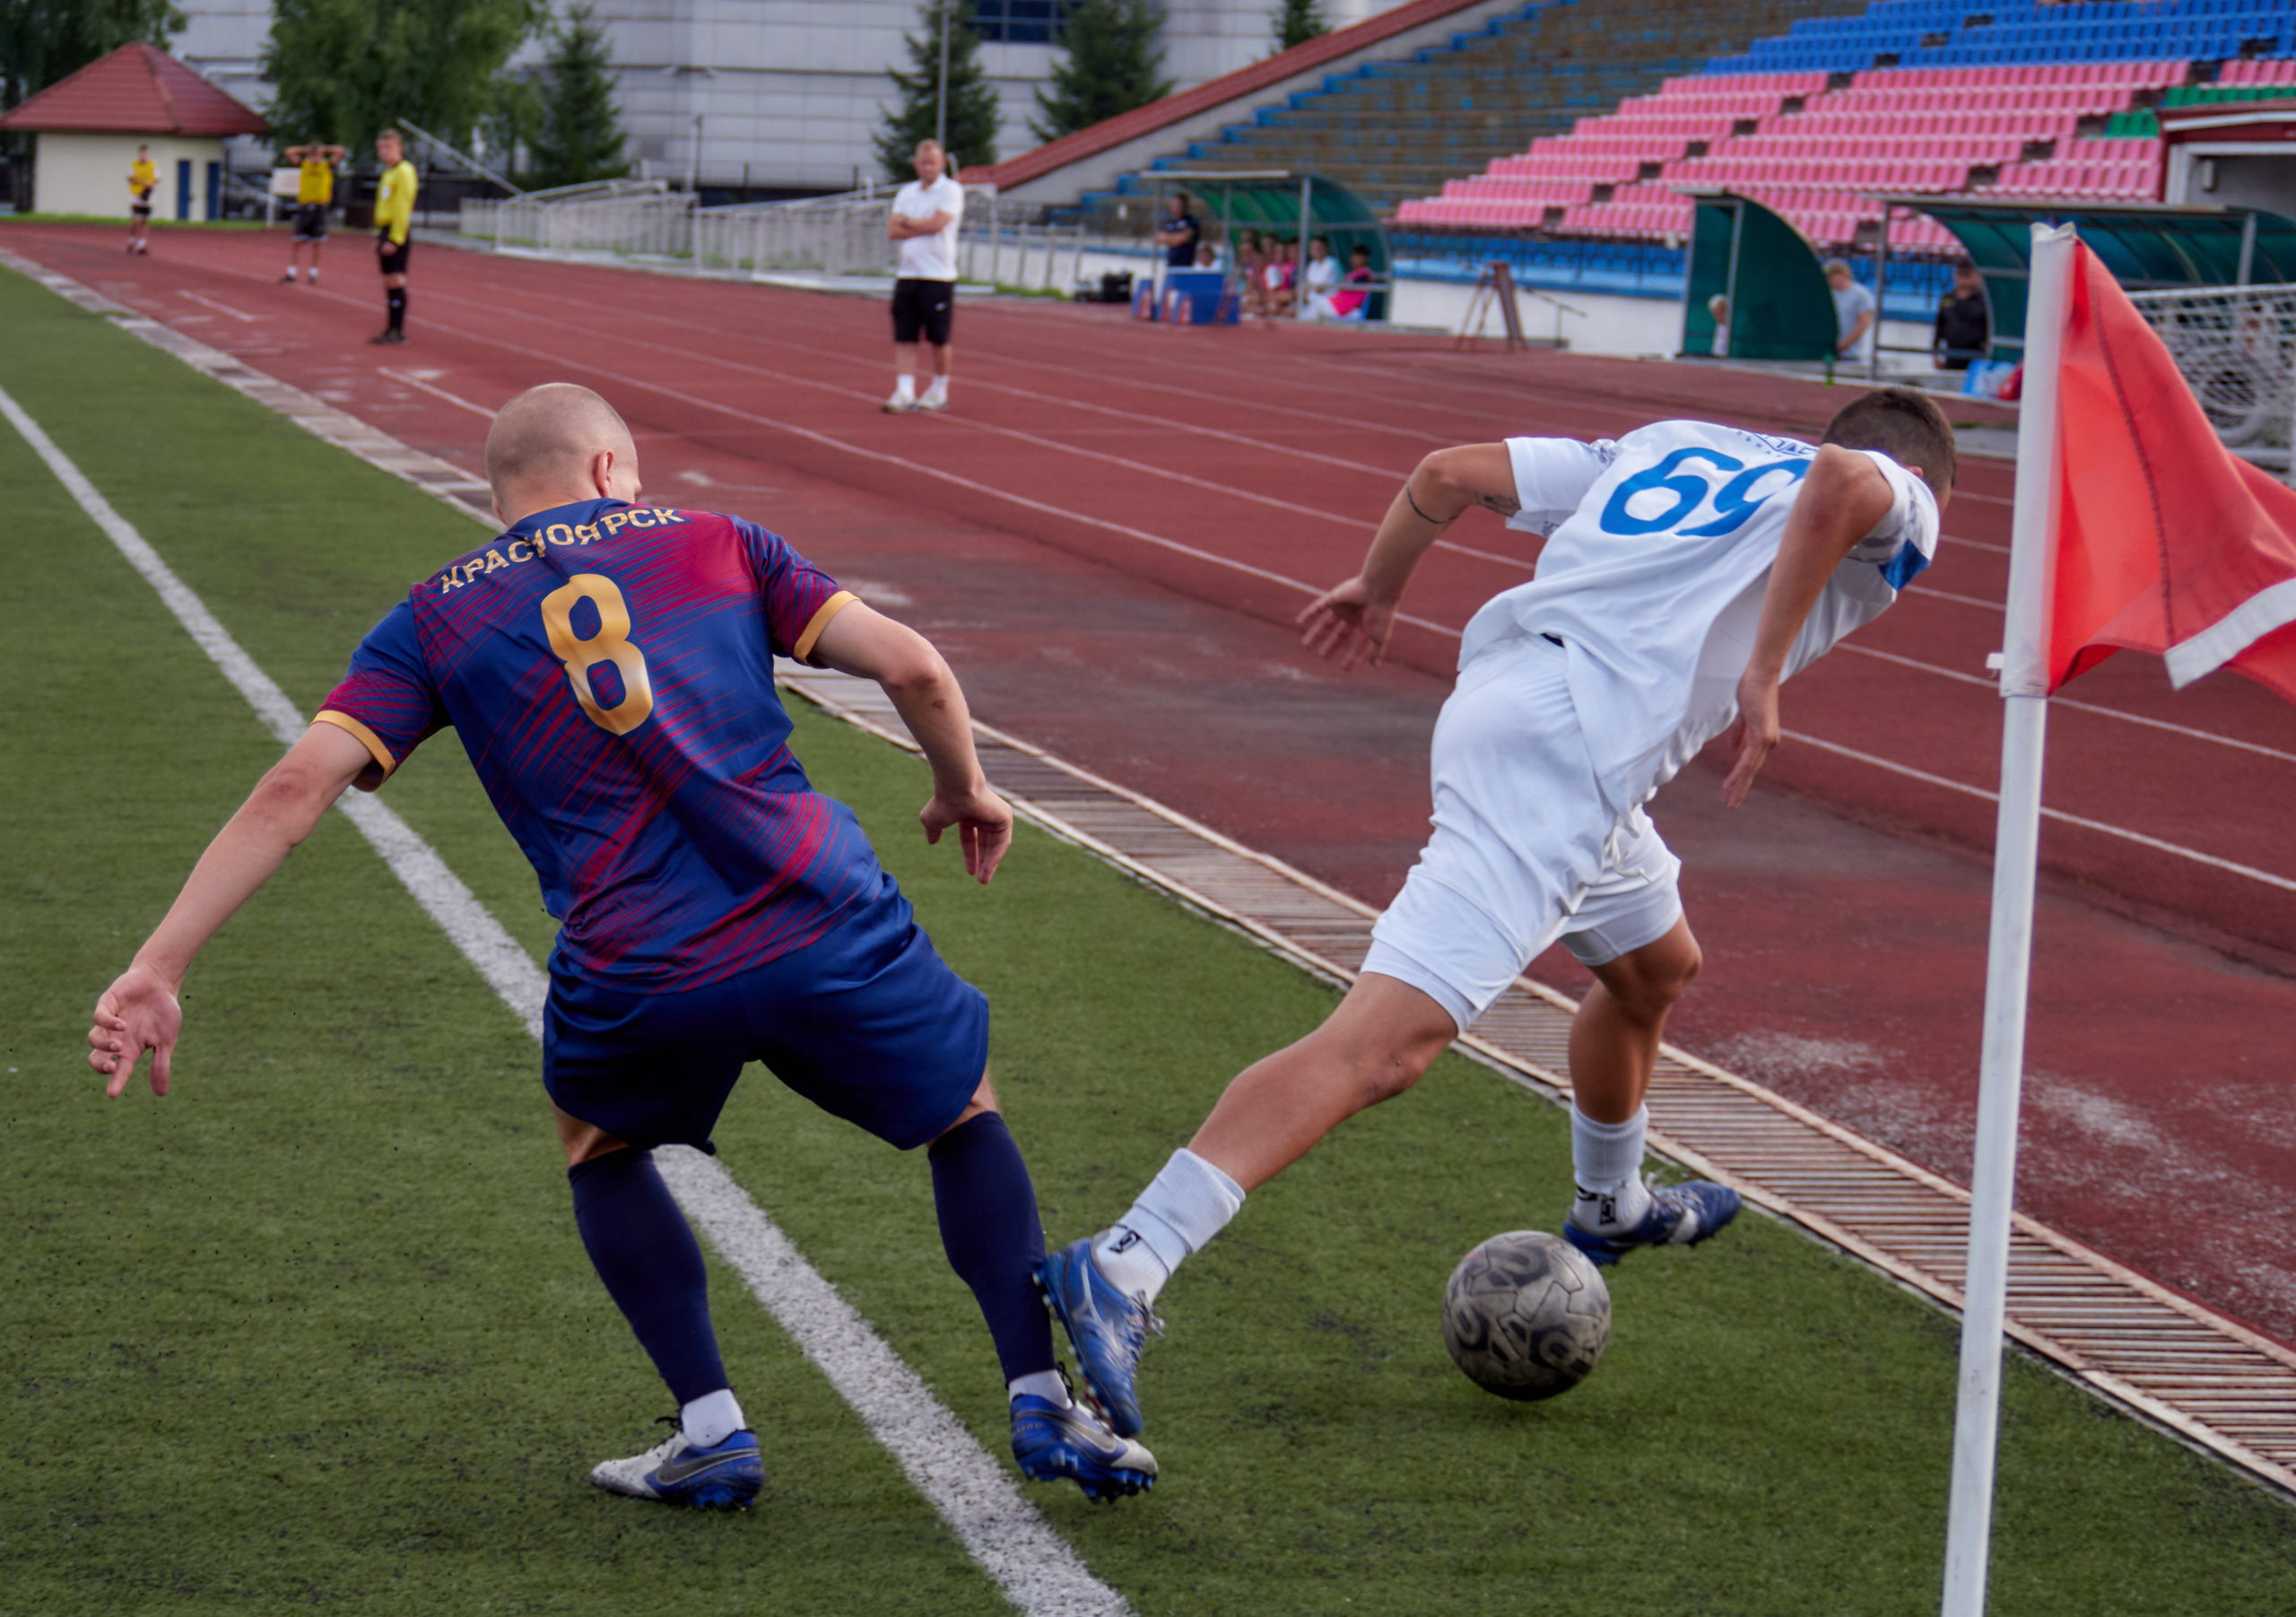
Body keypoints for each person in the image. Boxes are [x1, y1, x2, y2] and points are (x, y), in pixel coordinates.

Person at [84, 382, 1157, 1508]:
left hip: (641, 962)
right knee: (961, 1111)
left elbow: (296, 786)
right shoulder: (719, 541)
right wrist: (964, 788)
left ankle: (712, 1429)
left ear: (502, 494)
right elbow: (915, 669)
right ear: (608, 471)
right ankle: (1042, 1395)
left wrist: (160, 966)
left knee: (597, 1142)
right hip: (818, 913)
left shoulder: (436, 614)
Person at [1039, 388, 1958, 1442]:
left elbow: (1445, 474)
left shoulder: (1673, 442)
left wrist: (1377, 587)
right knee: (1383, 1049)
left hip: (1519, 706)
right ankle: (1127, 1260)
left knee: (1654, 969)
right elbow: (1843, 483)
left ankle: (1610, 1203)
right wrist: (1762, 671)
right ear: (1927, 481)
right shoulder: (1898, 494)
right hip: (1565, 760)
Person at [884, 139, 963, 414]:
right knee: (905, 335)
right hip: (908, 273)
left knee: (938, 338)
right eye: (923, 163)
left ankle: (939, 389)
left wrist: (910, 223)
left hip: (937, 276)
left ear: (942, 164)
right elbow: (893, 230)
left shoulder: (951, 190)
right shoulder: (906, 192)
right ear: (916, 164)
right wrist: (921, 225)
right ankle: (905, 390)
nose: (928, 168)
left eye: (933, 163)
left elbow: (937, 224)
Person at [369, 128, 417, 345]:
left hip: (396, 230)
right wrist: (378, 234)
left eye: (388, 147)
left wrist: (395, 238)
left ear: (399, 148)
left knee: (396, 279)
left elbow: (402, 206)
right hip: (385, 228)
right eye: (381, 148)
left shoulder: (404, 171)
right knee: (388, 280)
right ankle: (391, 328)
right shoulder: (388, 172)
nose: (384, 152)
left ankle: (398, 330)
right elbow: (383, 204)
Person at [281, 142, 347, 284]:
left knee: (317, 242)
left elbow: (341, 151)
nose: (315, 159)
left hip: (319, 207)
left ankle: (313, 272)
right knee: (297, 240)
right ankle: (292, 272)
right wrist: (307, 150)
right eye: (312, 156)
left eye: (317, 156)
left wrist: (324, 149)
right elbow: (288, 151)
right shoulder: (304, 164)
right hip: (305, 206)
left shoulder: (327, 165)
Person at [1934, 261, 1989, 370]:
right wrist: (1935, 353)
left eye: (1967, 275)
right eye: (1960, 274)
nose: (1963, 279)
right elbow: (1940, 327)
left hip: (1976, 357)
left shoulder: (1984, 301)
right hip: (1952, 355)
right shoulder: (1948, 299)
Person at [1824, 258, 1874, 361]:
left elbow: (1864, 322)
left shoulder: (1860, 294)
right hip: (1826, 350)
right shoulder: (1827, 294)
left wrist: (1843, 345)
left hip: (1850, 353)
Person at [1326, 244, 1377, 322]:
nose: (1358, 258)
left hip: (1352, 310)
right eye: (1356, 255)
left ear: (1366, 258)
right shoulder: (1353, 273)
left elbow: (1351, 285)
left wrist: (1344, 285)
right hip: (1340, 304)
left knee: (1314, 301)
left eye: (1361, 256)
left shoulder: (1365, 273)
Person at [1154, 192, 1200, 270]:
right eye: (1175, 205)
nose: (1177, 208)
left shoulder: (1191, 221)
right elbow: (1159, 237)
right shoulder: (1169, 221)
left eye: (1179, 205)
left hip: (1185, 265)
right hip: (1171, 264)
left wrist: (1169, 239)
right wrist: (1175, 238)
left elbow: (1185, 237)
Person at [1300, 236, 1342, 319]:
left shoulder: (1331, 264)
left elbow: (1319, 290)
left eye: (1319, 248)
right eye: (1313, 248)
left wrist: (1304, 296)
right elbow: (1307, 285)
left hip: (1330, 304)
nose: (1316, 250)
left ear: (1326, 248)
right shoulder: (1312, 264)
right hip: (1314, 302)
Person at [126, 144, 156, 255]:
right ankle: (131, 241)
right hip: (136, 196)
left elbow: (156, 180)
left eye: (145, 153)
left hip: (147, 197)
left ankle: (142, 245)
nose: (144, 155)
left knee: (145, 221)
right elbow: (130, 179)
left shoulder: (153, 165)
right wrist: (143, 182)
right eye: (142, 153)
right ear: (139, 154)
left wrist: (149, 186)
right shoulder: (134, 165)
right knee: (136, 221)